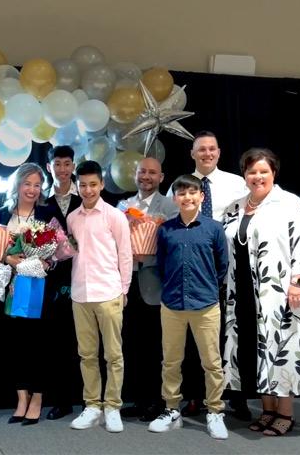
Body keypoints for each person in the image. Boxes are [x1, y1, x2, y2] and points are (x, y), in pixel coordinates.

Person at [223, 148, 300, 436]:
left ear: (274, 172)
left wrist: (298, 282)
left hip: (280, 292)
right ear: (244, 175)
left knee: (282, 348)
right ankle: (268, 410)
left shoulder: (289, 202)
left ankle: (285, 412)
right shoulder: (235, 207)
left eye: (263, 171)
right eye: (251, 172)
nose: (257, 176)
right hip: (243, 294)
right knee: (256, 350)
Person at [168, 130, 249, 419]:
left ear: (218, 152)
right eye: (200, 149)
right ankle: (193, 396)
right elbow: (170, 228)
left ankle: (235, 395)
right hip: (192, 275)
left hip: (229, 269)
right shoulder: (180, 186)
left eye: (211, 148)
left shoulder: (236, 183)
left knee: (231, 333)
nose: (206, 153)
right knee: (191, 340)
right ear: (192, 154)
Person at [148, 174, 228, 439]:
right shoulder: (166, 230)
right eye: (181, 193)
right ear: (175, 198)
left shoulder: (214, 229)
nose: (187, 197)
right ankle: (172, 410)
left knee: (212, 363)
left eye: (192, 192)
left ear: (201, 197)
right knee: (170, 362)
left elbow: (222, 266)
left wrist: (205, 286)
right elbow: (161, 265)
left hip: (206, 305)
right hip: (172, 305)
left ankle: (215, 411)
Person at [67, 160, 132, 433]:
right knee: (87, 355)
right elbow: (70, 252)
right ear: (77, 186)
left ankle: (112, 407)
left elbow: (125, 253)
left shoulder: (114, 215)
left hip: (109, 293)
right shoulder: (72, 218)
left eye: (93, 184)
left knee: (114, 355)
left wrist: (124, 290)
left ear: (102, 184)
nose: (88, 190)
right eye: (83, 185)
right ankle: (92, 405)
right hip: (80, 295)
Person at [0, 163, 55, 425]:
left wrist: (46, 263)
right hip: (9, 290)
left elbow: (61, 250)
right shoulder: (0, 214)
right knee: (14, 345)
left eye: (37, 185)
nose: (31, 189)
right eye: (27, 183)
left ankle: (37, 398)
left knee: (37, 345)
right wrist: (9, 259)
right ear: (17, 185)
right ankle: (21, 398)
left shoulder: (48, 213)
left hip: (39, 289)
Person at [121, 157, 178, 422]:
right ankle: (138, 399)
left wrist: (147, 256)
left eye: (152, 173)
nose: (146, 176)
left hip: (156, 286)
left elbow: (175, 245)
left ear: (161, 177)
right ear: (135, 174)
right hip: (127, 287)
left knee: (156, 347)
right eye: (142, 171)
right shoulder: (123, 206)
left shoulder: (170, 206)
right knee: (132, 345)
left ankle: (157, 401)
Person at [43, 145, 82, 420]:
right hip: (51, 281)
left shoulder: (86, 200)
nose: (63, 169)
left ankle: (88, 397)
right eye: (57, 164)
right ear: (49, 168)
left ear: (73, 166)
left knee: (84, 341)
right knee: (56, 341)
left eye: (67, 164)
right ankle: (61, 399)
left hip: (84, 278)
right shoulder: (42, 203)